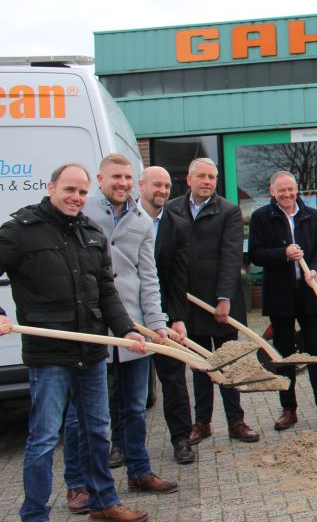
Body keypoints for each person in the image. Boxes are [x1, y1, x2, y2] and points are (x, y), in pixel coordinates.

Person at [0, 163, 150, 522]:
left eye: (82, 192)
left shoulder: (92, 233)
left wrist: (126, 330)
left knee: (98, 430)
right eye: (69, 190)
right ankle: (35, 514)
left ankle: (103, 502)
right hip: (49, 354)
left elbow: (106, 292)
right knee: (44, 439)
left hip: (92, 351)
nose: (76, 198)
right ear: (51, 188)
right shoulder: (20, 231)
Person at [63, 155, 180, 512]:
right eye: (116, 176)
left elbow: (149, 276)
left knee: (134, 406)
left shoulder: (141, 220)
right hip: (92, 328)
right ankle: (78, 484)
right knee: (83, 412)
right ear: (101, 178)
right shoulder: (83, 212)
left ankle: (138, 470)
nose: (123, 182)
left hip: (133, 327)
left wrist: (157, 323)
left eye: (128, 177)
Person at [164, 157, 261, 444]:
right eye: (202, 176)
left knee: (228, 362)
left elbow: (232, 256)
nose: (208, 182)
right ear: (190, 180)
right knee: (200, 366)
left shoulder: (228, 211)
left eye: (212, 177)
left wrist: (224, 298)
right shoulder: (172, 209)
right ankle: (202, 422)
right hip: (187, 302)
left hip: (220, 302)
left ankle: (236, 421)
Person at [248, 171, 317, 430]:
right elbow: (255, 254)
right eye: (282, 191)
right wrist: (283, 253)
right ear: (272, 192)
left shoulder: (313, 215)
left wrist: (316, 269)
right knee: (285, 355)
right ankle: (288, 409)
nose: (287, 195)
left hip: (310, 294)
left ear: (297, 189)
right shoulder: (261, 218)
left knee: (315, 352)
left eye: (291, 190)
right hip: (280, 295)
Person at [138, 165, 196, 464]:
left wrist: (176, 317)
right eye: (156, 185)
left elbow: (178, 277)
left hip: (162, 312)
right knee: (124, 385)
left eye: (166, 186)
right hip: (128, 316)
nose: (162, 190)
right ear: (141, 186)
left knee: (173, 379)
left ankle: (182, 439)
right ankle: (122, 444)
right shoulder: (123, 221)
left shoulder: (178, 225)